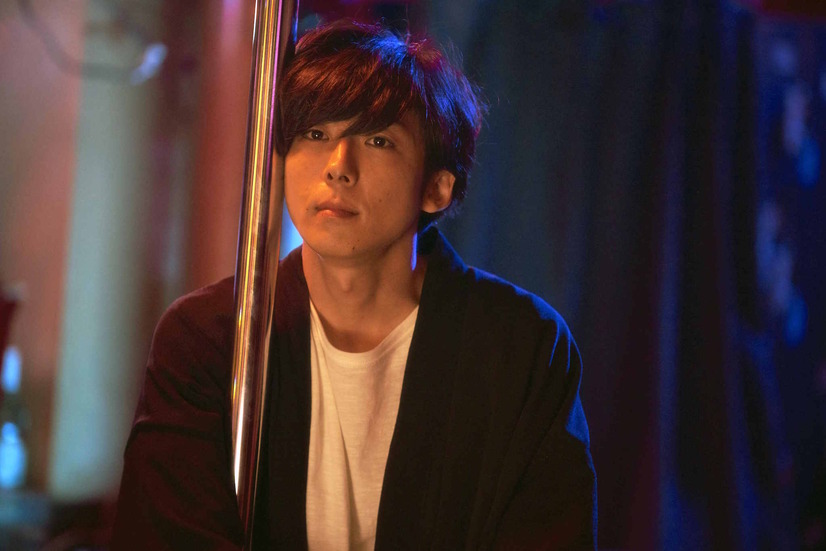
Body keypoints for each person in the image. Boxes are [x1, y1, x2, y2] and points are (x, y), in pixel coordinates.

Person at [111, 20, 596, 550]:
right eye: (315, 135)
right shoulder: (208, 337)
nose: (338, 167)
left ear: (437, 187)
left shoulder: (522, 346)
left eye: (378, 140)